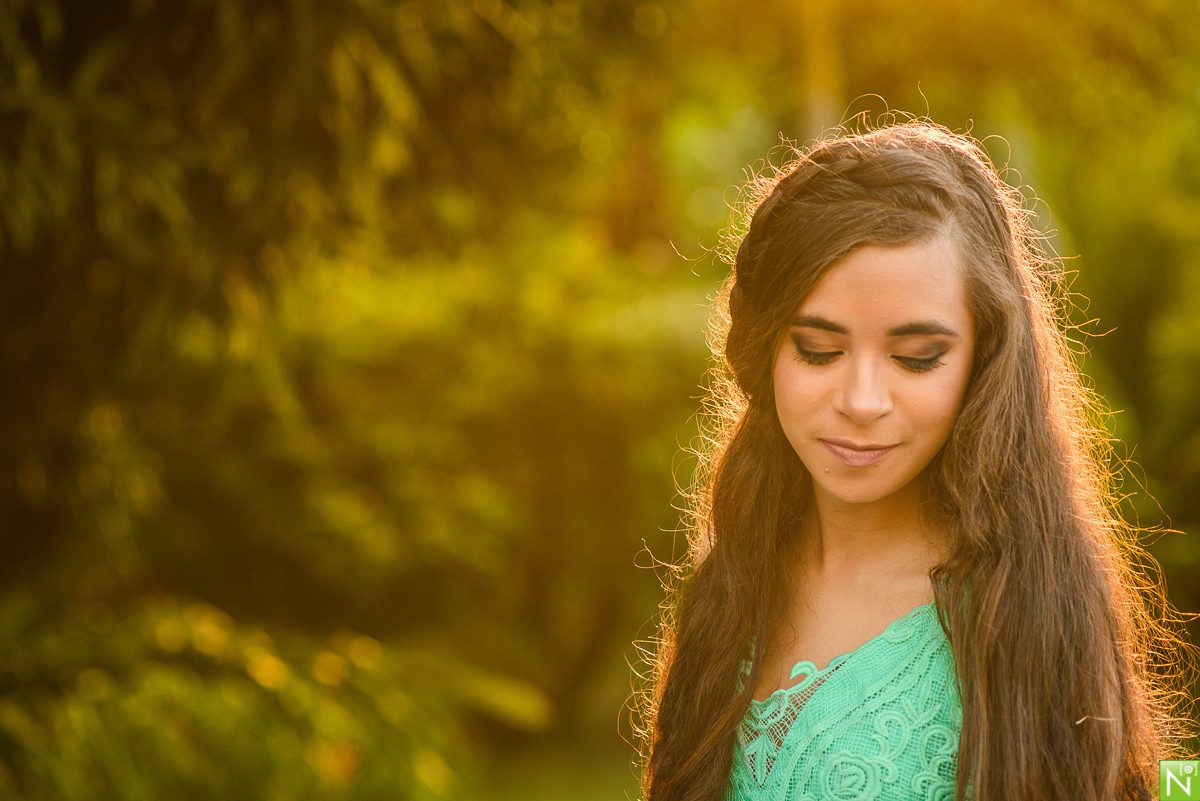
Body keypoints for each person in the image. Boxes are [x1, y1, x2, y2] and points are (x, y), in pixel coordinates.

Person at [638, 120, 1185, 801]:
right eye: (817, 348)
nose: (862, 399)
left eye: (917, 357)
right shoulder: (737, 573)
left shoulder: (1030, 604)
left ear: (981, 360)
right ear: (766, 349)